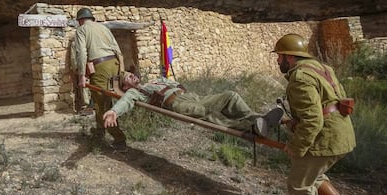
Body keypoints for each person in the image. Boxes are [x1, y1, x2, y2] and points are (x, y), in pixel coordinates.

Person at [272, 33, 368, 195]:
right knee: (314, 176)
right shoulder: (322, 68)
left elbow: (314, 119)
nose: (278, 61)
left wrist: (297, 147)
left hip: (325, 138)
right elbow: (329, 103)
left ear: (290, 57)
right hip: (341, 134)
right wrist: (294, 122)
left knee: (298, 185)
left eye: (279, 56)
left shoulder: (300, 77)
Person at [103, 71, 284, 137]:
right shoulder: (135, 92)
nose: (133, 76)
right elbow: (125, 102)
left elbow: (175, 84)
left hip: (191, 96)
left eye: (132, 74)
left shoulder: (153, 81)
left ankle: (260, 120)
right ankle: (252, 127)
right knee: (209, 114)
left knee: (231, 96)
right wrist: (114, 112)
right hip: (177, 104)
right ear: (126, 86)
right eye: (128, 77)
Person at [74, 7, 127, 151]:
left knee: (101, 102)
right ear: (92, 18)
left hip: (100, 67)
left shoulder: (81, 30)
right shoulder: (104, 28)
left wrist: (82, 76)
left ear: (80, 20)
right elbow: (117, 50)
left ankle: (119, 139)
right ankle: (100, 131)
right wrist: (121, 69)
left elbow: (81, 54)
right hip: (114, 63)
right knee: (104, 100)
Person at [70, 39, 93, 116]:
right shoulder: (90, 41)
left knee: (84, 86)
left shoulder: (75, 43)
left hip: (84, 66)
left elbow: (73, 58)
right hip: (94, 65)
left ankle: (87, 106)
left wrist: (76, 68)